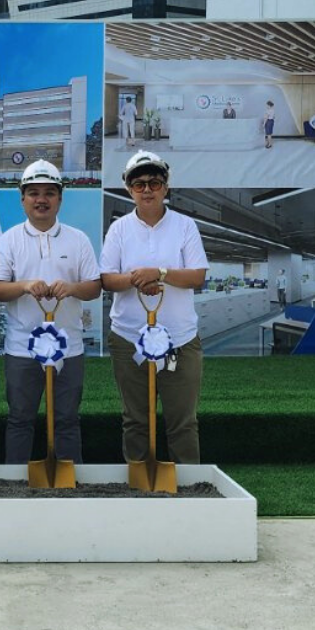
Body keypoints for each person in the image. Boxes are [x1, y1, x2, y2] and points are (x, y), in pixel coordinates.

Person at [0, 160, 102, 465]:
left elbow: (94, 287)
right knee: (20, 419)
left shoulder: (78, 239)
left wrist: (73, 288)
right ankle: (15, 486)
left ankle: (67, 486)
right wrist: (24, 286)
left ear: (60, 198)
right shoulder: (9, 240)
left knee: (67, 419)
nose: (42, 200)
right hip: (22, 349)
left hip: (70, 347)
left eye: (50, 193)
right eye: (34, 193)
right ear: (22, 198)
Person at [101, 150, 210, 465]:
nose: (147, 189)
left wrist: (160, 273)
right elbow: (107, 279)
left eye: (154, 182)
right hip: (128, 338)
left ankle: (189, 489)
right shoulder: (119, 229)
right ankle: (140, 487)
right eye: (138, 184)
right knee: (135, 420)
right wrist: (138, 279)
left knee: (183, 421)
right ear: (128, 189)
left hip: (180, 341)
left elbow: (197, 276)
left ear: (166, 187)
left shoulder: (185, 226)